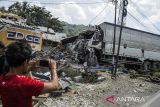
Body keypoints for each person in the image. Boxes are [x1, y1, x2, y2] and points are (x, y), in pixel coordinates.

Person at [0, 41, 61, 107]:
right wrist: (53, 68)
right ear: (26, 61)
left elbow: (20, 79)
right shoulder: (24, 83)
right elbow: (55, 86)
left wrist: (28, 68)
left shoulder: (2, 79)